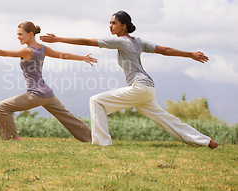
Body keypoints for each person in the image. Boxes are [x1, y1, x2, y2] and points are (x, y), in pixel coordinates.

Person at [41, 11, 218, 148]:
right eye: (109, 23)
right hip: (147, 89)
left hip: (140, 87)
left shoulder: (122, 42)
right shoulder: (138, 42)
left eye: (114, 23)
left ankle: (102, 143)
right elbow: (165, 50)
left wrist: (59, 39)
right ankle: (205, 141)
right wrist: (191, 54)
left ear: (124, 26)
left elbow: (88, 41)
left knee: (96, 101)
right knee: (166, 119)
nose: (110, 26)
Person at [0, 21, 96, 141]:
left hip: (35, 95)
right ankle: (93, 138)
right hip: (48, 94)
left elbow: (3, 52)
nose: (18, 37)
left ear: (30, 34)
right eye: (17, 35)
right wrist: (82, 58)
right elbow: (63, 56)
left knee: (0, 107)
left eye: (20, 34)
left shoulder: (27, 51)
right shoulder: (43, 49)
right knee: (68, 118)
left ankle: (12, 139)